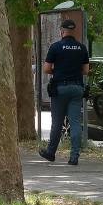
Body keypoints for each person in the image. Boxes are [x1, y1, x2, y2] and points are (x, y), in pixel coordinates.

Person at [39, 19, 89, 165]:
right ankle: (74, 157)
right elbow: (86, 70)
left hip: (60, 88)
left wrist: (59, 70)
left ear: (61, 31)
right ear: (74, 31)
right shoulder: (82, 48)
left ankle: (50, 152)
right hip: (77, 88)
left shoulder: (56, 47)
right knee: (74, 122)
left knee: (57, 122)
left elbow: (47, 69)